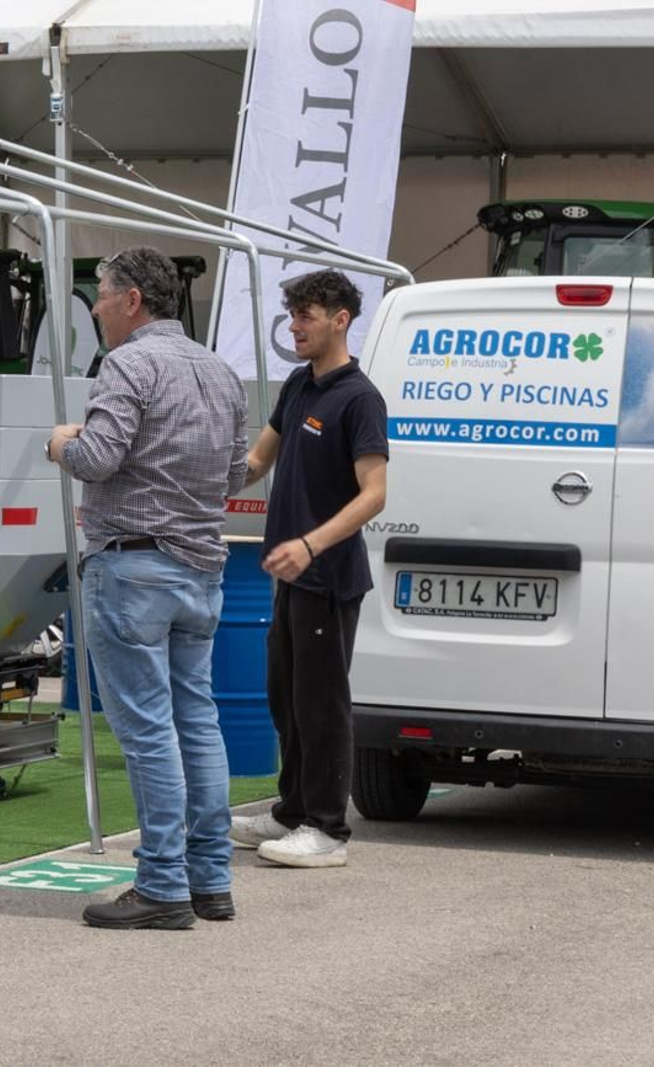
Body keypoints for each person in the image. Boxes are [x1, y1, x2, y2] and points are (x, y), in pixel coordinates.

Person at [46, 246, 249, 929]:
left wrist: (62, 443)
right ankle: (208, 878)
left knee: (149, 732)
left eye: (101, 295)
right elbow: (232, 478)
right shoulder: (220, 371)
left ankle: (162, 883)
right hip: (201, 570)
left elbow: (98, 458)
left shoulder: (126, 363)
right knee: (198, 721)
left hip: (132, 567)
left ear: (132, 300)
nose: (96, 308)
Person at [230, 269, 389, 868]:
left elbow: (374, 494)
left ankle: (327, 829)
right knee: (285, 696)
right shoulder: (298, 385)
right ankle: (290, 810)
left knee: (323, 702)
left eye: (306, 316)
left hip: (327, 576)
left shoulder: (360, 398)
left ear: (340, 319)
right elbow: (255, 460)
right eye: (292, 314)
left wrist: (311, 545)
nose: (293, 326)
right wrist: (199, 479)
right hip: (291, 575)